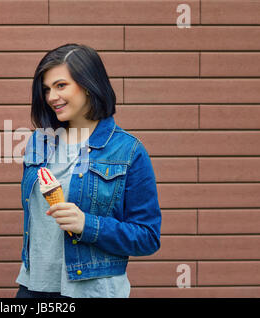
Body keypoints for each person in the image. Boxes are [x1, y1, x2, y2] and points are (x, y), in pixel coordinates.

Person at [15, 43, 162, 298]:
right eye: (47, 89)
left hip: (92, 290)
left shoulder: (128, 151)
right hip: (33, 287)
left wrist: (88, 224)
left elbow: (147, 237)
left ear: (88, 84)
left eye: (61, 85)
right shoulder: (39, 143)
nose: (51, 97)